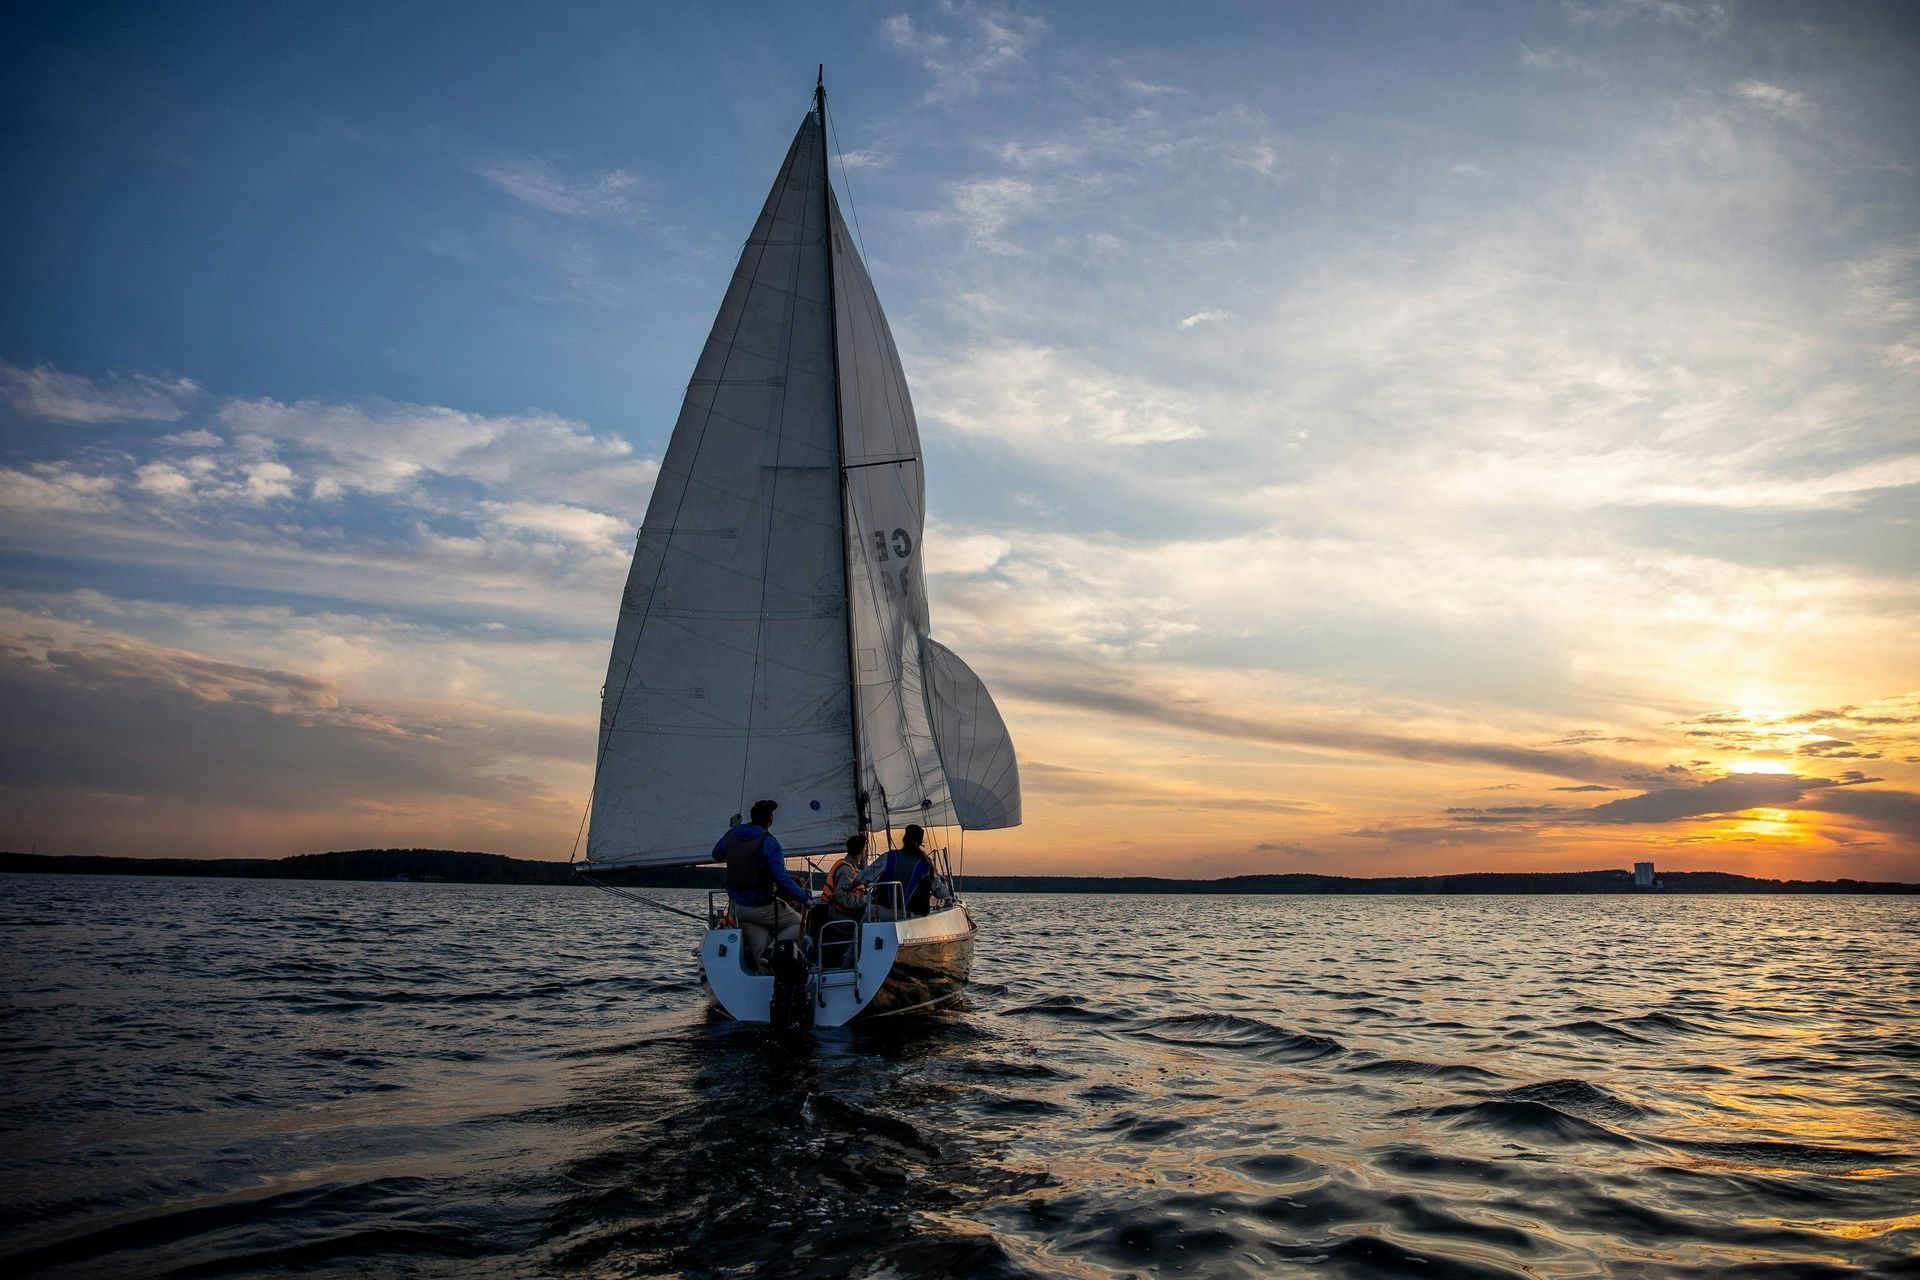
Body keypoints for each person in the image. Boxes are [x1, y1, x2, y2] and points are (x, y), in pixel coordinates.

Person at [713, 799, 816, 970]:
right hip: (762, 907)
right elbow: (782, 879)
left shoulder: (733, 834)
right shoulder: (769, 842)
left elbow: (716, 854)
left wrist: (731, 829)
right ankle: (771, 951)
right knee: (798, 924)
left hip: (739, 909)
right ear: (770, 821)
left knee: (761, 959)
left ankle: (766, 970)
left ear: (752, 817)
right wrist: (805, 898)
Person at [863, 824, 953, 920]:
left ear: (904, 839)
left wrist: (851, 886)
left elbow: (865, 875)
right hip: (915, 915)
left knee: (869, 910)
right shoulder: (926, 864)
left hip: (894, 912)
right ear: (920, 842)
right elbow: (939, 890)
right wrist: (948, 898)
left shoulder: (889, 857)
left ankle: (858, 934)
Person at [812, 832, 870, 966]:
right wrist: (866, 901)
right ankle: (852, 960)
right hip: (840, 916)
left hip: (840, 912)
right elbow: (842, 897)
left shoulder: (850, 868)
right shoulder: (846, 870)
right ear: (862, 851)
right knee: (868, 923)